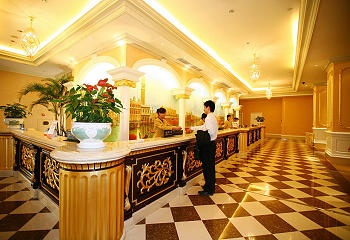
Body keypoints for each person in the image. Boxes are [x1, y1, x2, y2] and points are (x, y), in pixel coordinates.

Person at [190, 100, 218, 196]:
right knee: (209, 167)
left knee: (207, 168)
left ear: (208, 107)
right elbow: (204, 127)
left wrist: (198, 133)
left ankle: (209, 189)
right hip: (211, 145)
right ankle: (209, 186)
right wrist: (193, 128)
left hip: (208, 146)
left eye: (204, 107)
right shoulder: (212, 117)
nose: (203, 109)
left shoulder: (209, 118)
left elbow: (208, 132)